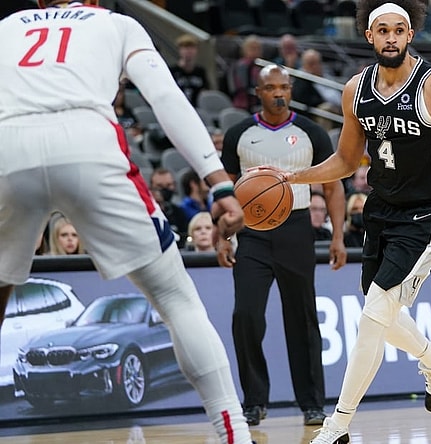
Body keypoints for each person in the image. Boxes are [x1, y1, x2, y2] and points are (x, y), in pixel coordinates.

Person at [263, 2, 431, 442]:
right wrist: (293, 177)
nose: (391, 38)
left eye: (399, 30)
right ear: (369, 36)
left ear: (410, 35)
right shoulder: (355, 89)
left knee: (374, 314)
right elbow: (346, 161)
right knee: (381, 311)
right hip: (380, 208)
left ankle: (338, 426)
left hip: (427, 212)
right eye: (383, 30)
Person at [0, 2, 252, 443]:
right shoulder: (115, 23)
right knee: (176, 299)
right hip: (87, 140)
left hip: (8, 144)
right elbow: (166, 97)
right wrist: (218, 183)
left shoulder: (6, 26)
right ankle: (234, 434)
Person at [218, 64, 348, 427]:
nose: (279, 93)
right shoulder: (239, 134)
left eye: (284, 87)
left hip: (296, 228)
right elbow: (225, 190)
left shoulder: (311, 132)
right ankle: (254, 402)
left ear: (291, 91)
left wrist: (338, 235)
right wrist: (223, 234)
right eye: (271, 88)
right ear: (258, 93)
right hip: (251, 232)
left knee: (302, 318)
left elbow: (333, 187)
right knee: (246, 316)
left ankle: (312, 404)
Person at [169, 33, 209, 106]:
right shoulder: (172, 71)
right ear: (180, 50)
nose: (189, 51)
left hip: (197, 108)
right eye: (185, 48)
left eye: (192, 48)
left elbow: (205, 92)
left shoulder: (200, 71)